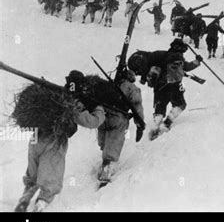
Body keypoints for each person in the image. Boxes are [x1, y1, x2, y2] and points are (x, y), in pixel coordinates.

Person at [15, 71, 106, 212]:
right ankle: (39, 207)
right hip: (54, 142)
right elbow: (91, 122)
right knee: (51, 179)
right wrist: (99, 109)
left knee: (32, 175)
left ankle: (24, 201)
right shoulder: (72, 102)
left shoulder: (55, 95)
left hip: (36, 138)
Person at [148, 39, 203, 140]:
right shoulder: (178, 57)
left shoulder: (163, 55)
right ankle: (168, 121)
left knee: (160, 107)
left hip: (160, 85)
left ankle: (155, 126)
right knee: (180, 104)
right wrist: (197, 61)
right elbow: (186, 67)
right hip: (174, 85)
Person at [97, 69, 144, 184]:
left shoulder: (110, 85)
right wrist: (140, 125)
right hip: (118, 117)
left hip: (103, 115)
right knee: (114, 144)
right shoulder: (131, 87)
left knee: (104, 143)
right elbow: (137, 106)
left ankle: (105, 160)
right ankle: (105, 174)